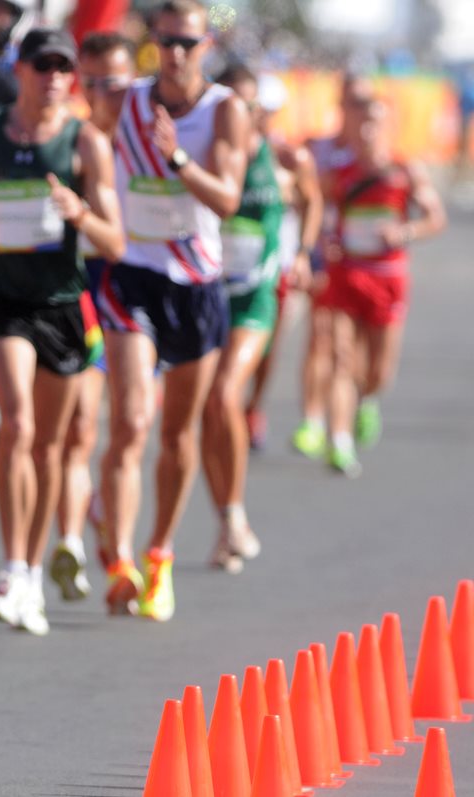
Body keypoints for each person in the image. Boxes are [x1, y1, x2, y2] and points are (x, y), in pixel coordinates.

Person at [0, 28, 124, 635]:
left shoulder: (86, 142)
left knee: (47, 447)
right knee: (17, 423)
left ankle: (33, 569)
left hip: (65, 308)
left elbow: (116, 241)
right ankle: (11, 569)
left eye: (63, 68)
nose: (54, 77)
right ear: (19, 69)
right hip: (5, 303)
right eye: (43, 65)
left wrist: (82, 214)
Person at [95, 0, 247, 621]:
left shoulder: (224, 110)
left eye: (187, 42)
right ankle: (119, 560)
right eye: (166, 41)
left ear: (205, 44)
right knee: (132, 419)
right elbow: (86, 152)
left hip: (196, 282)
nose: (176, 53)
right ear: (153, 40)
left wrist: (178, 159)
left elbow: (230, 199)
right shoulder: (123, 101)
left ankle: (160, 556)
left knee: (179, 433)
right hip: (132, 275)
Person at [199, 63, 304, 572]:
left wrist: (303, 252)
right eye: (230, 103)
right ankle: (225, 521)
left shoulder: (283, 156)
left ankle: (236, 512)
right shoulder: (204, 152)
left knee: (224, 395)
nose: (239, 113)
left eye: (248, 104)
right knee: (208, 415)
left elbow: (315, 198)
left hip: (256, 293)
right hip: (208, 293)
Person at [317, 95, 445, 477]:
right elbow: (321, 216)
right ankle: (338, 441)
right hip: (347, 275)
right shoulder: (339, 175)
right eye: (362, 122)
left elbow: (434, 218)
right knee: (340, 358)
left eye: (376, 123)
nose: (368, 130)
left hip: (387, 279)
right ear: (352, 126)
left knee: (379, 370)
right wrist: (327, 240)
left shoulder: (406, 172)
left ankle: (368, 400)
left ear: (389, 127)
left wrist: (405, 231)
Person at [51, 30, 135, 599]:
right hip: (78, 287)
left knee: (129, 425)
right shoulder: (71, 138)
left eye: (119, 83)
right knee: (78, 429)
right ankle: (72, 543)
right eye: (97, 83)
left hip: (136, 292)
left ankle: (115, 531)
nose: (108, 94)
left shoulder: (152, 136)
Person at [289, 74, 375, 460]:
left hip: (365, 262)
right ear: (340, 104)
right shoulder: (317, 148)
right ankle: (314, 421)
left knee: (355, 348)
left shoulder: (375, 157)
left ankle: (363, 396)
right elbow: (298, 195)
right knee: (321, 336)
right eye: (351, 101)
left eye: (364, 102)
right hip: (326, 254)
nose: (357, 109)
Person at [242, 73, 322, 451]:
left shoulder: (291, 157)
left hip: (277, 266)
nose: (260, 117)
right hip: (227, 263)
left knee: (267, 345)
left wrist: (305, 253)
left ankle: (254, 407)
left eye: (266, 111)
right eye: (254, 109)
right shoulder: (222, 147)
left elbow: (313, 203)